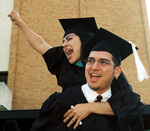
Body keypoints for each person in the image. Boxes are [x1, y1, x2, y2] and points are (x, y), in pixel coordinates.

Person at [8, 11, 145, 130]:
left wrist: (88, 107)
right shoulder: (63, 62)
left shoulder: (106, 72)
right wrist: (19, 22)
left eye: (69, 38)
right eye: (63, 41)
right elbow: (40, 44)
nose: (64, 44)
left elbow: (129, 104)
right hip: (70, 123)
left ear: (84, 41)